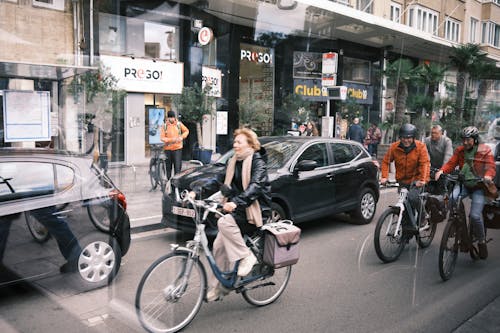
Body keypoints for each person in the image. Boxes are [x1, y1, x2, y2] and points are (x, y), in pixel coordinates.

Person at [206, 128, 272, 302]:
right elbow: (216, 180)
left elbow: (255, 186)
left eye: (239, 142)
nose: (235, 145)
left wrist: (236, 202)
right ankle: (221, 287)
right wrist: (195, 191)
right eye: (234, 142)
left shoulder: (258, 162)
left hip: (255, 211)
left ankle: (246, 256)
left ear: (250, 144)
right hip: (238, 209)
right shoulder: (233, 161)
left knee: (224, 223)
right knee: (219, 247)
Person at [434, 126, 496, 259]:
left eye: (468, 140)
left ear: (475, 139)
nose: (465, 142)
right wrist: (442, 171)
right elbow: (451, 163)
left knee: (475, 216)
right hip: (464, 185)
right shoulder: (460, 150)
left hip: (479, 187)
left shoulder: (484, 150)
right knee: (452, 198)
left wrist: (488, 176)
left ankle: (481, 241)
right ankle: (457, 224)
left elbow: (491, 166)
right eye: (464, 140)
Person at [380, 123, 430, 233]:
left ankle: (423, 217)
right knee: (404, 205)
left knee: (412, 198)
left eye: (409, 138)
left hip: (416, 180)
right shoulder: (394, 147)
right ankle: (407, 233)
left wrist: (423, 180)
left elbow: (425, 164)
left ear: (413, 138)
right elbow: (385, 162)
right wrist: (384, 177)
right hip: (402, 181)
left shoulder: (420, 147)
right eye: (403, 138)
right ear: (400, 137)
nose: (406, 140)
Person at [160, 110, 189, 180]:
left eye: (172, 117)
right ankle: (168, 182)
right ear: (168, 118)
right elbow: (162, 137)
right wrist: (171, 140)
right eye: (170, 118)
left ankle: (176, 183)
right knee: (168, 167)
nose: (171, 119)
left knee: (177, 167)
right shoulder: (165, 126)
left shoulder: (179, 124)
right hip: (168, 149)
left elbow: (186, 131)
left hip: (177, 149)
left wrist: (181, 137)